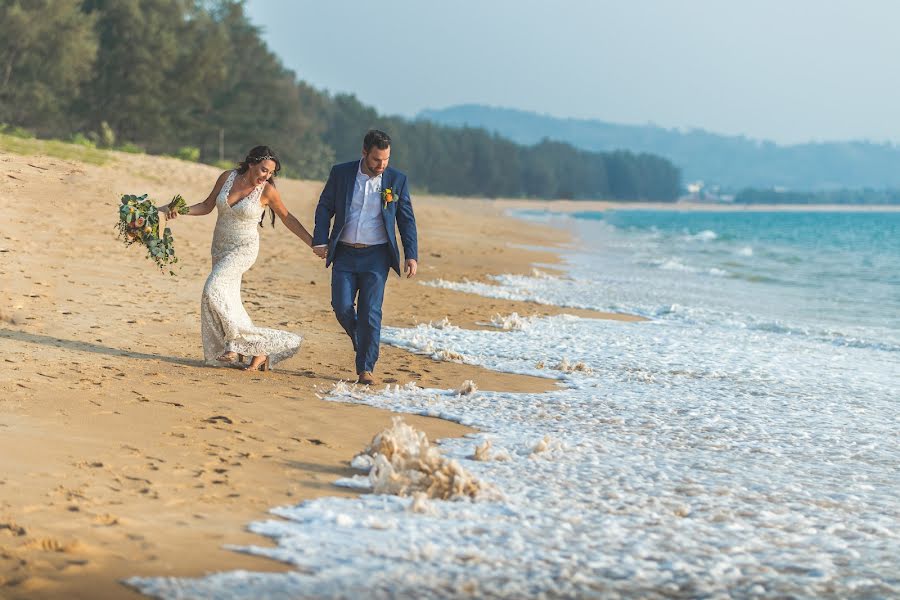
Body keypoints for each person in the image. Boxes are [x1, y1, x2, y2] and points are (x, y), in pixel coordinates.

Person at [163, 146, 313, 371]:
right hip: (220, 248)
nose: (266, 176)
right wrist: (176, 210)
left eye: (271, 173)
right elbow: (206, 206)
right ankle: (259, 350)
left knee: (213, 288)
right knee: (229, 298)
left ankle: (233, 344)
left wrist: (313, 243)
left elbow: (287, 218)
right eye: (264, 170)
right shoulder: (227, 177)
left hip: (244, 248)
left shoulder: (267, 191)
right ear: (251, 163)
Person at [313, 130, 418, 385]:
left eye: (385, 160)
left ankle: (365, 368)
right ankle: (363, 341)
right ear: (364, 153)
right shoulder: (341, 173)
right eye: (376, 160)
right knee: (342, 307)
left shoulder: (396, 180)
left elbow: (406, 219)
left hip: (377, 256)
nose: (381, 165)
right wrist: (320, 238)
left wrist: (411, 255)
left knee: (371, 312)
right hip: (345, 253)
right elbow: (325, 206)